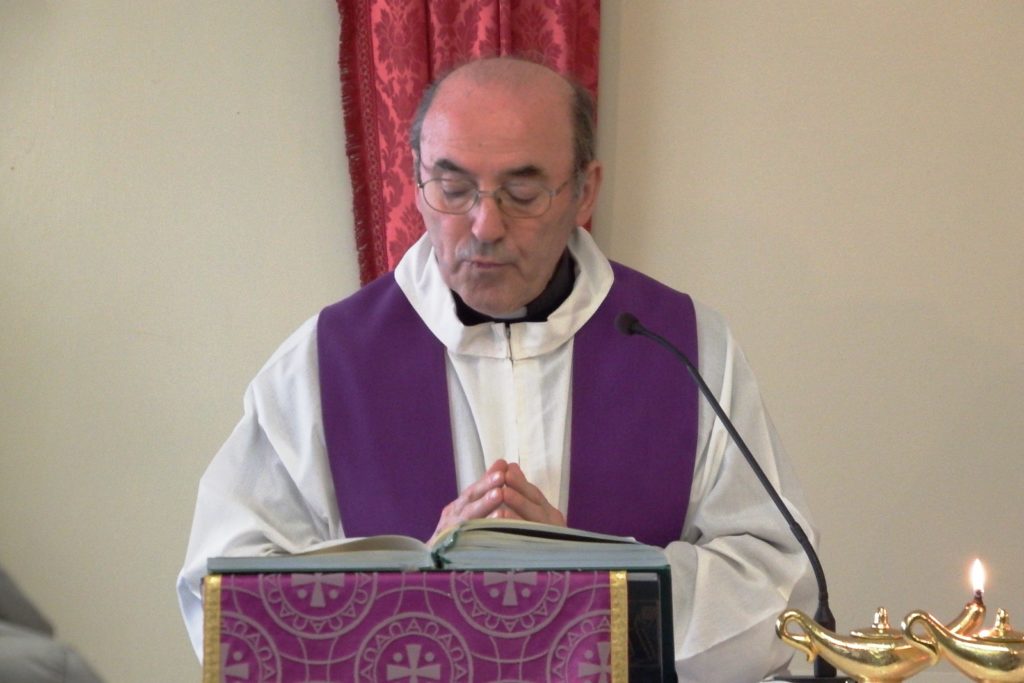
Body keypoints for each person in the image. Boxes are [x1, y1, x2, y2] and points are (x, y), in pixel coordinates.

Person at [177, 57, 818, 681]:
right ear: (417, 182)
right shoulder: (327, 362)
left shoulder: (683, 346)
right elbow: (225, 603)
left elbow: (779, 585)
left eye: (522, 192)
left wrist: (600, 584)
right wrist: (418, 588)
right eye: (453, 189)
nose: (485, 225)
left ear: (584, 191)